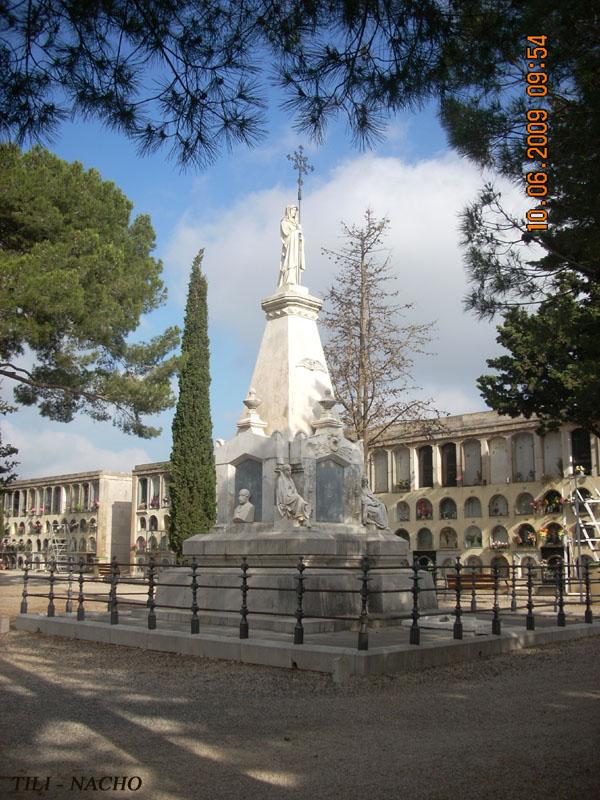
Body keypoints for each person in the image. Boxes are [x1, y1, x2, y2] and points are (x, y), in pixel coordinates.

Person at [278, 204, 305, 286]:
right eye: (292, 210)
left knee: (295, 262)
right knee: (290, 262)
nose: (294, 212)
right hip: (290, 247)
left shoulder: (296, 224)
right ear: (289, 211)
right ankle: (289, 279)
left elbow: (300, 238)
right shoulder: (284, 222)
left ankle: (295, 280)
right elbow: (286, 234)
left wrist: (300, 234)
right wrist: (296, 232)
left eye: (295, 210)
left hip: (296, 248)